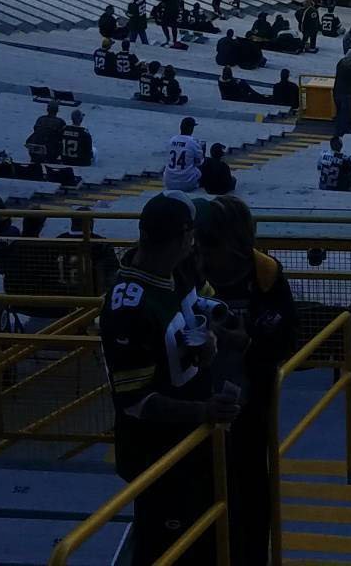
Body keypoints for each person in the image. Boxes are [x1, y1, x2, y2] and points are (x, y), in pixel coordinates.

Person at [98, 194, 246, 565]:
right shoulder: (127, 307)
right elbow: (136, 402)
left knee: (204, 536)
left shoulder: (176, 269)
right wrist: (203, 411)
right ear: (182, 238)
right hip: (159, 454)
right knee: (164, 549)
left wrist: (217, 332)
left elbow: (201, 304)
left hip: (193, 443)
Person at [193, 195, 296, 566]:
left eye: (212, 245)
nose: (205, 254)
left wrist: (246, 340)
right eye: (200, 245)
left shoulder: (265, 273)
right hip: (194, 405)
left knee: (249, 488)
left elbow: (285, 335)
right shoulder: (188, 271)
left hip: (249, 405)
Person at [164, 116, 204, 194]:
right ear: (191, 129)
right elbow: (199, 162)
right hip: (186, 183)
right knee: (201, 168)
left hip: (169, 182)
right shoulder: (193, 143)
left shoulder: (172, 140)